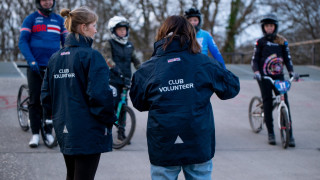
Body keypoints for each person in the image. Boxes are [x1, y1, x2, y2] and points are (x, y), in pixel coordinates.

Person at [129, 15, 240, 180]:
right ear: (191, 35)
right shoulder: (205, 63)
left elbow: (139, 103)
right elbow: (231, 88)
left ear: (162, 34)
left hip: (163, 145)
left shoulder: (147, 69)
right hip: (198, 142)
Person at [40, 7, 116, 180]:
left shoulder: (55, 58)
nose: (96, 30)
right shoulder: (92, 56)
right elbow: (99, 95)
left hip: (63, 126)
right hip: (87, 129)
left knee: (72, 174)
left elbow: (45, 95)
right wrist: (109, 119)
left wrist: (55, 117)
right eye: (94, 25)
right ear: (83, 27)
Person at [18, 0, 67, 148]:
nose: (47, 2)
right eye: (44, 0)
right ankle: (35, 134)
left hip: (53, 67)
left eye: (50, 0)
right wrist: (31, 60)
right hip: (35, 66)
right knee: (35, 100)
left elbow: (66, 42)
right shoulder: (31, 19)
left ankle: (48, 131)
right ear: (39, 2)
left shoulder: (59, 20)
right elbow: (23, 42)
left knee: (51, 100)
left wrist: (66, 58)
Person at [251, 13, 299, 147]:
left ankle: (290, 134)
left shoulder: (282, 41)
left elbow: (288, 59)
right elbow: (254, 60)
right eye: (267, 26)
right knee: (267, 102)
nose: (269, 28)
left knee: (285, 103)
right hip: (264, 77)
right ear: (263, 27)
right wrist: (256, 72)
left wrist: (291, 72)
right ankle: (271, 133)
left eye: (271, 25)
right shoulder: (260, 42)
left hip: (279, 77)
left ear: (275, 27)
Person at [102, 15, 141, 141]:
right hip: (113, 79)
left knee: (123, 105)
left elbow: (136, 60)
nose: (123, 31)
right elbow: (107, 58)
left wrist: (143, 70)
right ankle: (106, 130)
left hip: (126, 79)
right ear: (113, 31)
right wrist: (114, 67)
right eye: (120, 29)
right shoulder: (109, 43)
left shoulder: (130, 45)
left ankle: (121, 131)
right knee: (113, 103)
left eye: (124, 29)